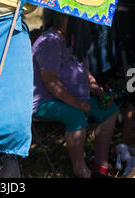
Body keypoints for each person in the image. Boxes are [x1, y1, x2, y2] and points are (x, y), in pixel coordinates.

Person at [32, 11, 119, 178]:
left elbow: (85, 73)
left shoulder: (74, 40)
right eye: (74, 19)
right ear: (61, 20)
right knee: (76, 116)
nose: (81, 22)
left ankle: (100, 162)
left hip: (75, 99)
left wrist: (98, 91)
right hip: (45, 101)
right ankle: (81, 170)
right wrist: (78, 104)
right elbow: (50, 82)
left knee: (110, 110)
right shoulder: (50, 41)